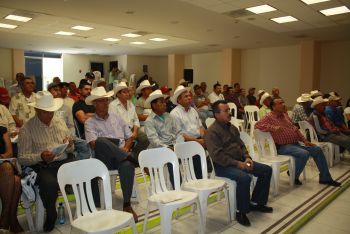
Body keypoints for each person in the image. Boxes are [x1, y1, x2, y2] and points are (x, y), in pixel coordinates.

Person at [205, 100, 273, 227]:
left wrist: (247, 158)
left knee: (266, 170)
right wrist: (238, 164)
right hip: (223, 166)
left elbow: (241, 146)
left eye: (229, 110)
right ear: (216, 114)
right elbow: (218, 156)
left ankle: (256, 203)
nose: (229, 113)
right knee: (244, 178)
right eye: (226, 111)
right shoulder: (211, 132)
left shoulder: (232, 128)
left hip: (240, 161)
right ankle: (240, 211)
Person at [18, 91, 74, 232]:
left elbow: (70, 147)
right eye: (45, 112)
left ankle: (92, 204)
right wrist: (40, 156)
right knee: (49, 183)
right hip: (44, 166)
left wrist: (69, 144)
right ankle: (51, 213)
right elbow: (22, 157)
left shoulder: (59, 121)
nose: (50, 115)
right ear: (37, 110)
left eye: (51, 112)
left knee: (86, 169)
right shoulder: (27, 128)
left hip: (64, 160)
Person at [255, 98, 341, 187]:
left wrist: (305, 141)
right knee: (304, 153)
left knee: (317, 150)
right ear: (273, 106)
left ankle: (325, 178)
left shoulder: (285, 116)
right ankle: (294, 175)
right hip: (282, 146)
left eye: (283, 102)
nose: (283, 104)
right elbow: (257, 125)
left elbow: (295, 129)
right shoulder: (269, 117)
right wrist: (273, 128)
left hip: (296, 144)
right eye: (280, 103)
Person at [84, 87, 138, 221]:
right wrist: (121, 150)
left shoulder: (116, 118)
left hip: (120, 156)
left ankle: (127, 204)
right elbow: (93, 145)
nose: (105, 103)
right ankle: (131, 158)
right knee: (101, 141)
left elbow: (130, 136)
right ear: (94, 104)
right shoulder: (89, 123)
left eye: (106, 100)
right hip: (102, 159)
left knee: (126, 166)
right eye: (101, 101)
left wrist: (126, 147)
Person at [144, 90, 183, 187]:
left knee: (186, 151)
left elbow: (178, 132)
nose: (165, 104)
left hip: (172, 146)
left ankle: (181, 183)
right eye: (161, 102)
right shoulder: (149, 121)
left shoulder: (169, 116)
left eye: (164, 102)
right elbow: (154, 141)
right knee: (171, 157)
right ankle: (177, 186)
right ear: (153, 105)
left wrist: (178, 144)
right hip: (157, 149)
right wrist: (168, 148)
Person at [170, 85, 206, 179]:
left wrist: (203, 137)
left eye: (189, 96)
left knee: (215, 144)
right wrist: (198, 141)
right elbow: (181, 135)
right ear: (179, 100)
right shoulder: (174, 113)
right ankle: (199, 179)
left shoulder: (193, 110)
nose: (189, 98)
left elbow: (201, 127)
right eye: (186, 96)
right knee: (197, 150)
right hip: (183, 142)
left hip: (197, 139)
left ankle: (208, 171)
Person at [109, 82, 149, 159]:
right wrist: (129, 134)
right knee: (124, 142)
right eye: (124, 92)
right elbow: (114, 124)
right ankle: (127, 157)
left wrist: (135, 130)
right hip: (120, 131)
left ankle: (135, 156)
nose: (127, 94)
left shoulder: (130, 104)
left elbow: (136, 119)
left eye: (128, 91)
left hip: (132, 129)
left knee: (145, 139)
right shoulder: (113, 105)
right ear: (118, 94)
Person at [0, 126, 23, 233]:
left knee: (11, 172)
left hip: (3, 166)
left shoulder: (2, 130)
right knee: (14, 179)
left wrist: (2, 156)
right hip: (5, 169)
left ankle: (5, 218)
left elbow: (9, 153)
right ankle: (11, 220)